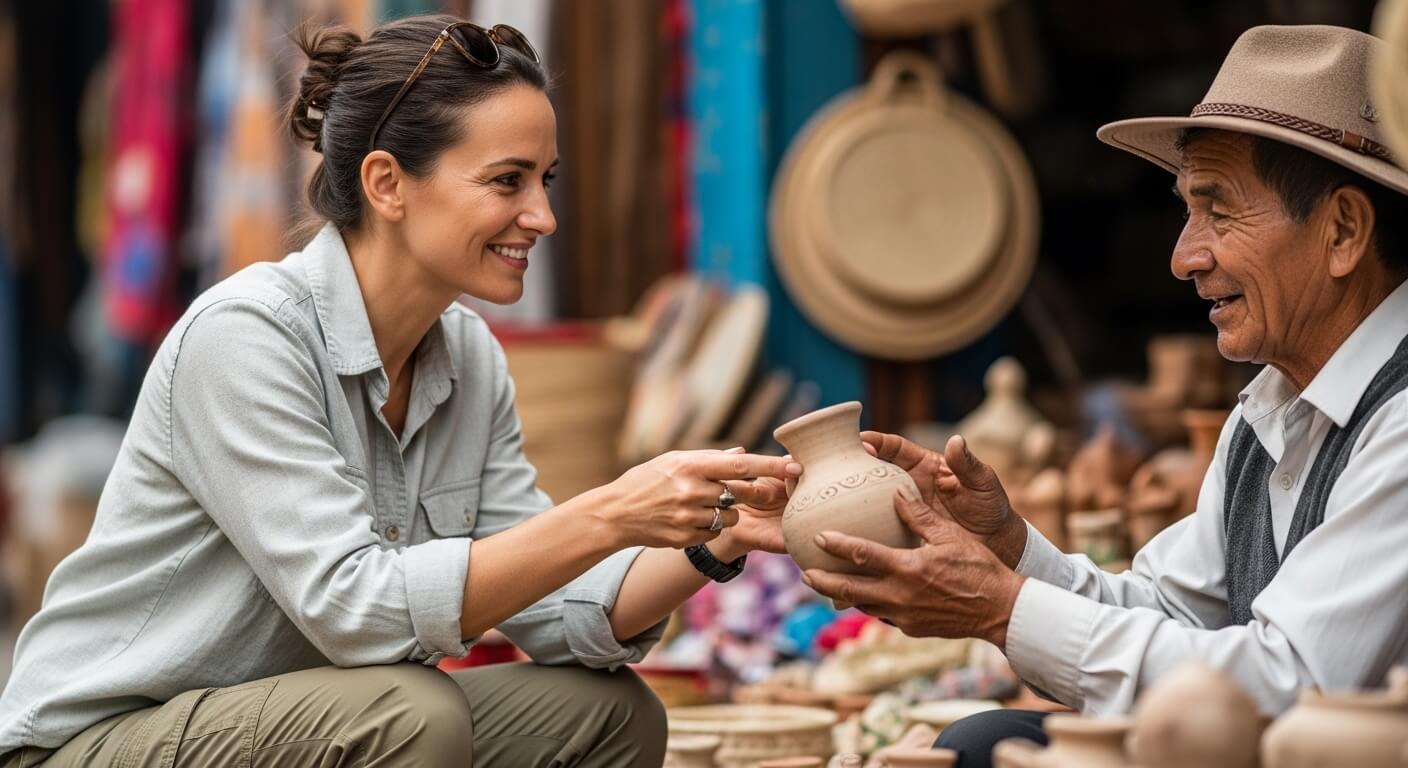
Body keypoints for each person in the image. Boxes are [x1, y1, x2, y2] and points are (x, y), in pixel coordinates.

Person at [0, 15, 800, 767]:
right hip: (100, 741)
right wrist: (609, 511)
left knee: (609, 714)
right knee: (410, 712)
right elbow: (356, 613)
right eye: (508, 181)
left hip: (305, 721)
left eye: (545, 180)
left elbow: (562, 615)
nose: (544, 216)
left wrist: (715, 537)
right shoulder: (246, 336)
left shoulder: (468, 358)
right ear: (386, 183)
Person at [801, 24, 1408, 768]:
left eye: (1218, 211)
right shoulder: (1271, 411)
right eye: (1187, 210)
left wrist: (1001, 608)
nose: (1185, 256)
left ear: (1343, 230)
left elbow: (1289, 689)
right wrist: (1010, 551)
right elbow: (1172, 611)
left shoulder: (1400, 419)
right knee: (985, 743)